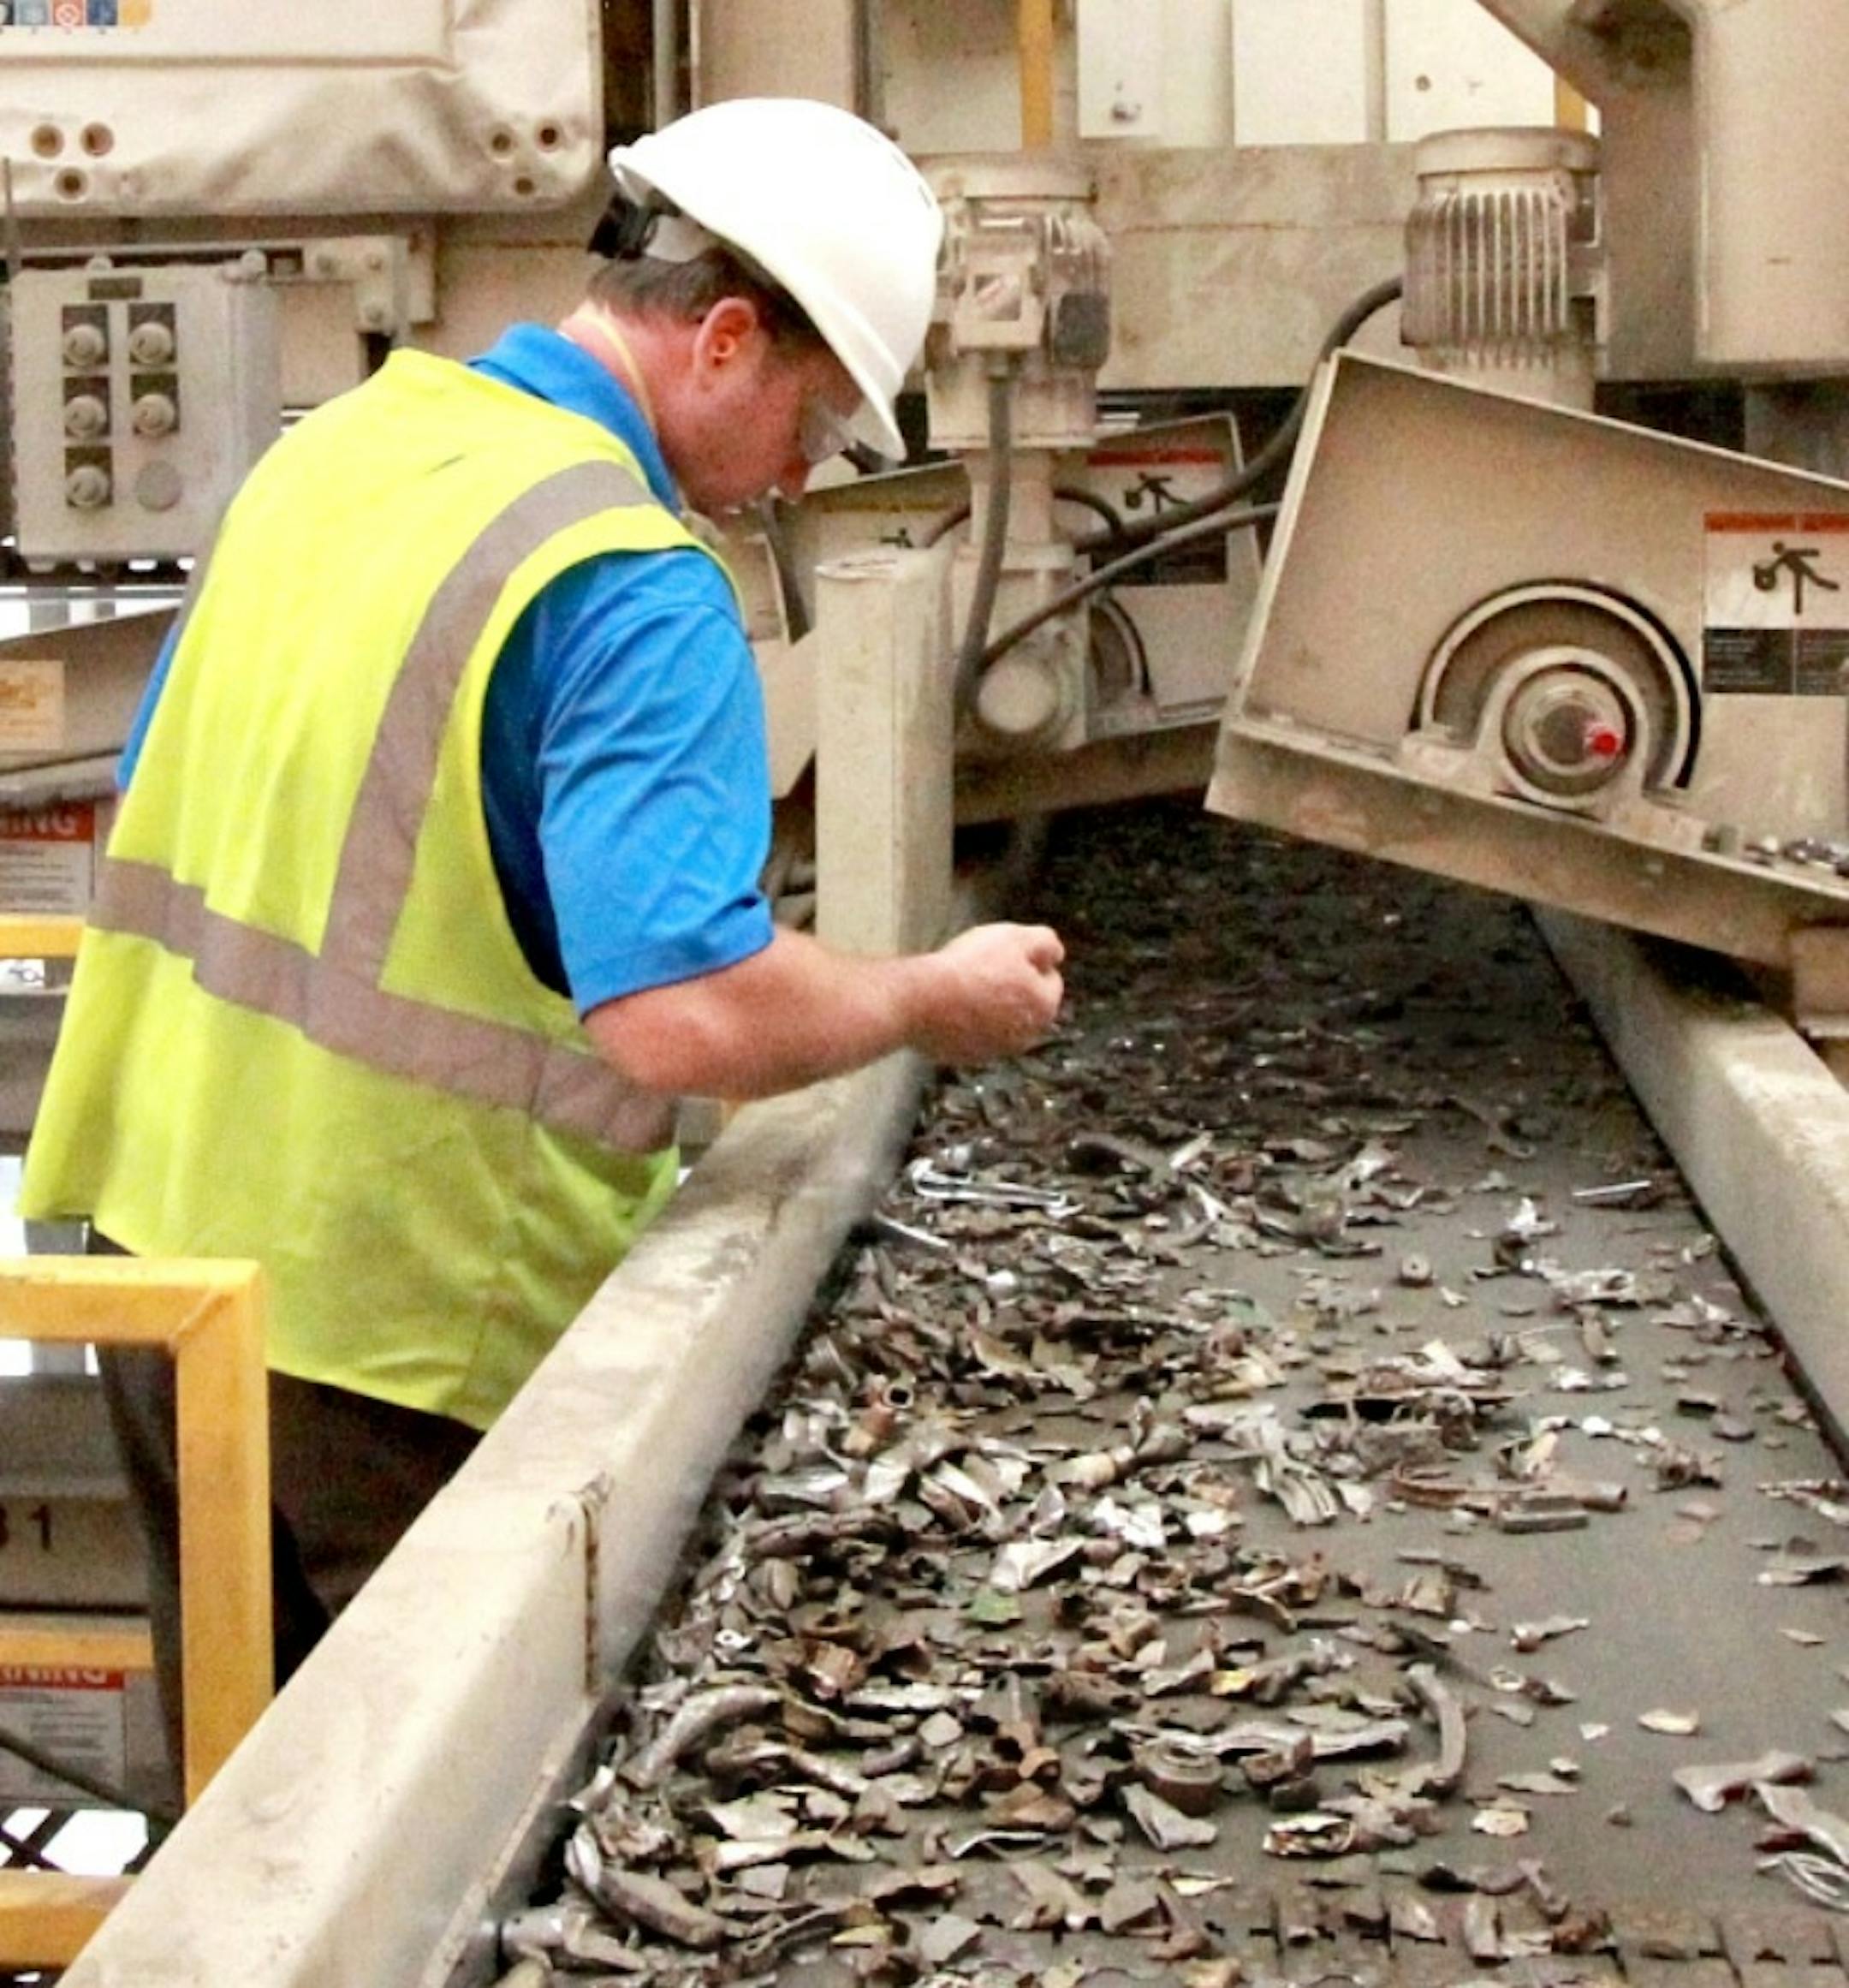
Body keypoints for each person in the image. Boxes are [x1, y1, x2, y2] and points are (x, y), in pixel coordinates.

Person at [18, 97, 1064, 1774]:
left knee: (237, 1851)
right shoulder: (632, 577)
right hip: (396, 1330)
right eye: (818, 415)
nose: (806, 470)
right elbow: (683, 1014)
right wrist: (924, 995)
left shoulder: (337, 447)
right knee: (410, 1851)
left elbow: (201, 815)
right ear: (726, 339)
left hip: (165, 1273)